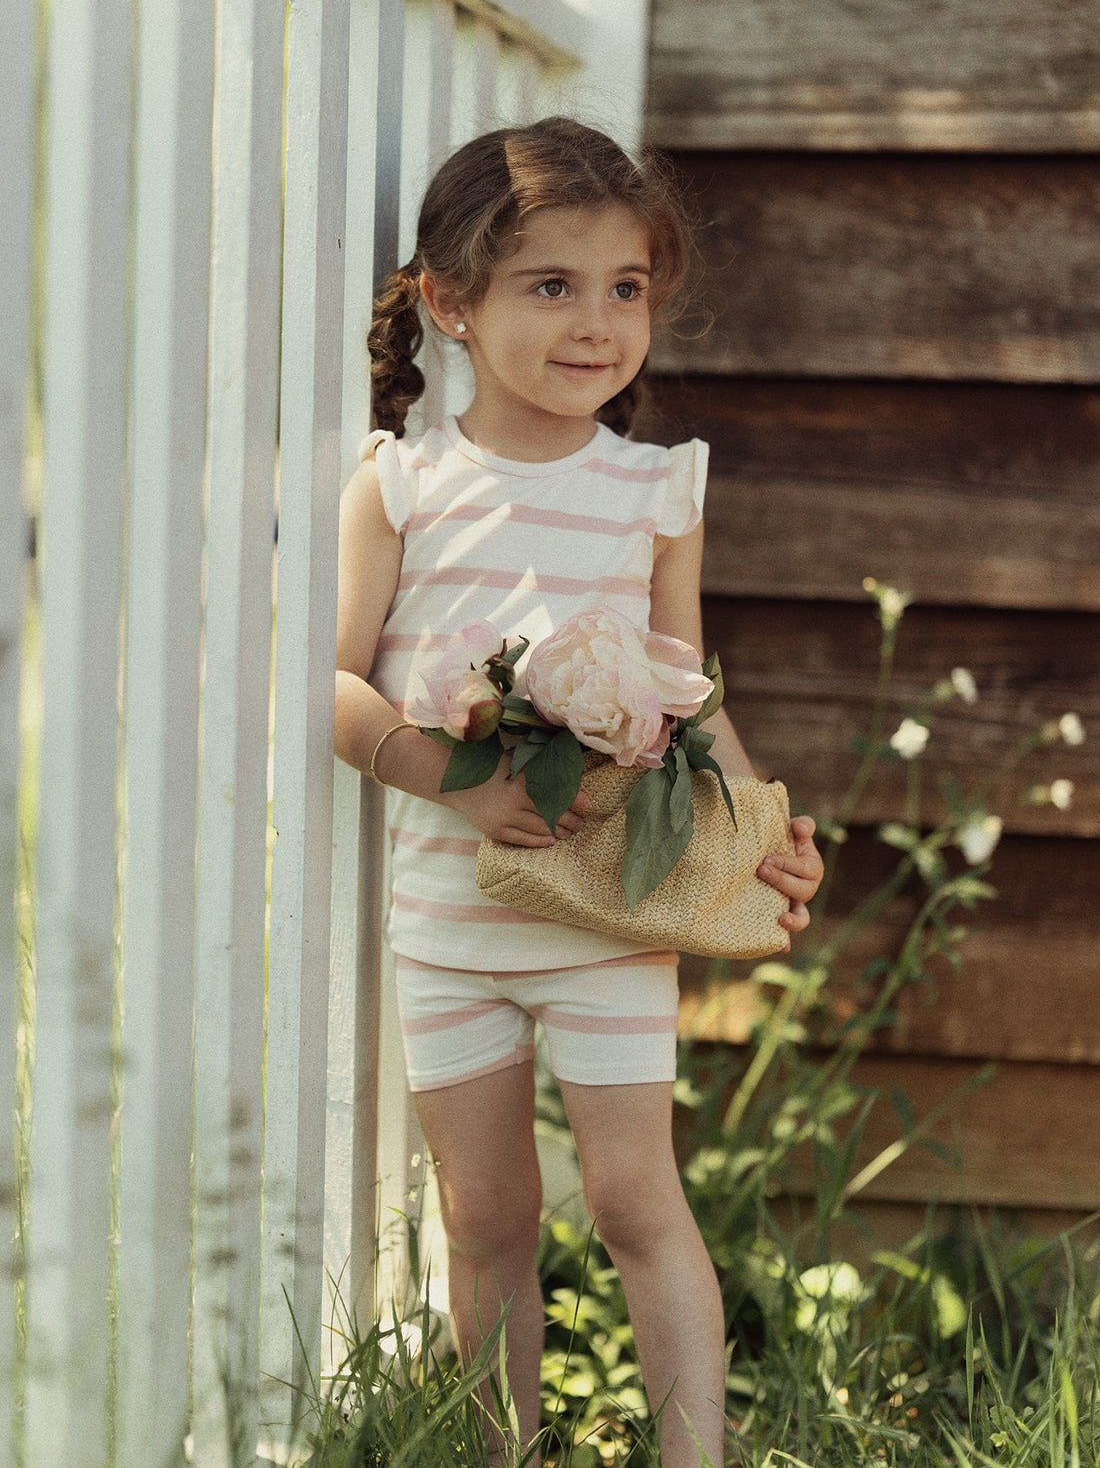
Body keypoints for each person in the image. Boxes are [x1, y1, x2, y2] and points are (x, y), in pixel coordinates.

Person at [334, 117, 824, 1467]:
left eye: (626, 288)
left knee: (629, 1193)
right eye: (552, 284)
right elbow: (332, 687)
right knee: (485, 1210)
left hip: (612, 906)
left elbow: (684, 683)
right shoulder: (404, 485)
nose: (599, 322)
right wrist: (457, 780)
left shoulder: (654, 488)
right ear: (452, 300)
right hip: (454, 914)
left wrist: (761, 823)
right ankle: (499, 1450)